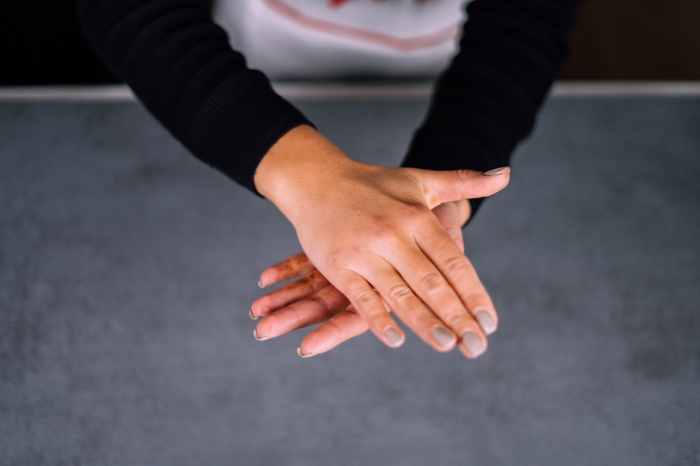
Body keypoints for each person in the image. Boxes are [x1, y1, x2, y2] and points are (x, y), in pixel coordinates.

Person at [77, 0, 582, 359]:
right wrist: (307, 176)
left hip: (446, 64)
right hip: (257, 62)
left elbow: (524, 18)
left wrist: (442, 187)